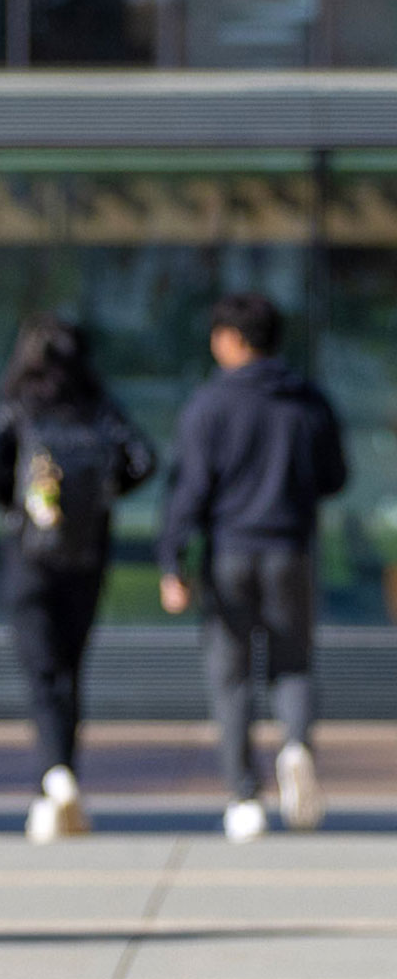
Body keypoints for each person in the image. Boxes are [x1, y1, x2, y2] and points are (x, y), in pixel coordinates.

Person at [158, 290, 347, 842]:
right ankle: (295, 746)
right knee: (293, 662)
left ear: (230, 339)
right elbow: (335, 476)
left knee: (231, 675)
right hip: (291, 548)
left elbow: (189, 490)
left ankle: (244, 797)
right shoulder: (307, 401)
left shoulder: (209, 406)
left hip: (230, 553)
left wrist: (173, 560)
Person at [0, 314, 155, 842]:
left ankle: (54, 777)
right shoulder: (99, 410)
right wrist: (101, 503)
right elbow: (144, 459)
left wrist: (15, 504)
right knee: (70, 669)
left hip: (30, 555)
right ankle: (63, 777)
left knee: (41, 671)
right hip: (87, 553)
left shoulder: (17, 407)